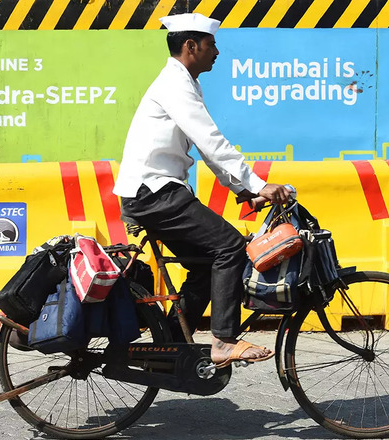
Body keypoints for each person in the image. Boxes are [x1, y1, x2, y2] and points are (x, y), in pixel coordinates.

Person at [113, 12, 291, 368]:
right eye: (212, 45)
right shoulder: (173, 85)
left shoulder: (185, 83)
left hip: (156, 191)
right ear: (191, 47)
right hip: (155, 193)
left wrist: (243, 191)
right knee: (229, 247)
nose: (217, 52)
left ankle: (170, 344)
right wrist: (258, 183)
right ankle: (223, 340)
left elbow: (206, 150)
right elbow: (212, 142)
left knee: (206, 263)